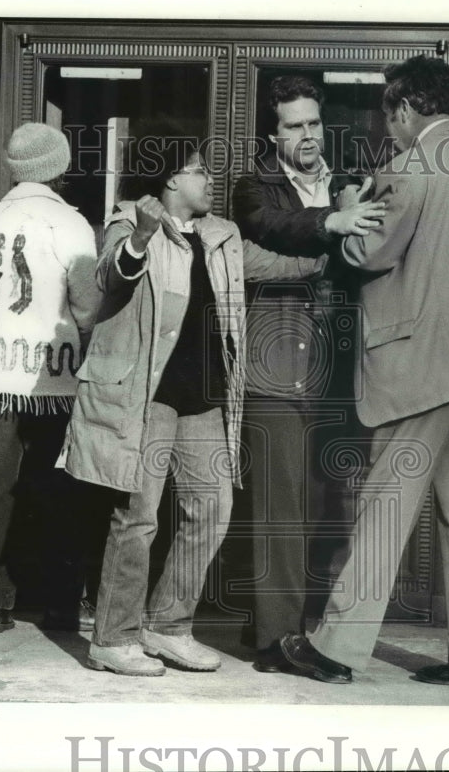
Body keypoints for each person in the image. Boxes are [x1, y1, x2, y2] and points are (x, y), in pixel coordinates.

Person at [279, 56, 449, 689]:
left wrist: (347, 200)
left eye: (390, 117)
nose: (389, 130)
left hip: (421, 366)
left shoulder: (407, 170)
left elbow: (364, 249)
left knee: (386, 505)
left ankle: (334, 650)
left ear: (407, 110)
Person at [60, 133, 327, 677]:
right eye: (200, 170)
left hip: (204, 400)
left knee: (212, 510)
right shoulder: (129, 223)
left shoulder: (221, 235)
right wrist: (141, 236)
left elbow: (278, 266)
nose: (210, 181)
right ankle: (112, 638)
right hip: (147, 397)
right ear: (171, 179)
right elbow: (112, 274)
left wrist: (336, 245)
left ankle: (167, 626)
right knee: (137, 521)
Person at [232, 75, 386, 672]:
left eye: (314, 124)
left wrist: (342, 218)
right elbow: (271, 229)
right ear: (273, 133)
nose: (307, 136)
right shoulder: (254, 187)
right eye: (294, 126)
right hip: (274, 368)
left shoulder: (349, 184)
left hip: (338, 366)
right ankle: (276, 641)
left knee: (328, 503)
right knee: (277, 507)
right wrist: (332, 227)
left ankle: (307, 629)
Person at [0, 122, 105, 634]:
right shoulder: (70, 224)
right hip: (51, 381)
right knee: (59, 489)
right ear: (60, 168)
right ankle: (61, 605)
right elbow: (88, 311)